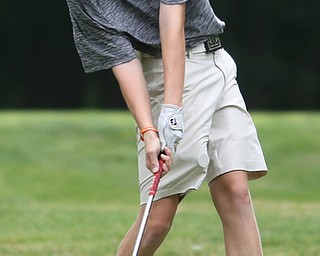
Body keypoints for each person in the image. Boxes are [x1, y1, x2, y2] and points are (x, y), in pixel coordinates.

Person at [66, 0, 268, 255]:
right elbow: (123, 61)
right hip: (163, 74)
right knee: (157, 219)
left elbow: (173, 20)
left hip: (216, 60)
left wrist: (172, 110)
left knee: (235, 191)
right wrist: (149, 130)